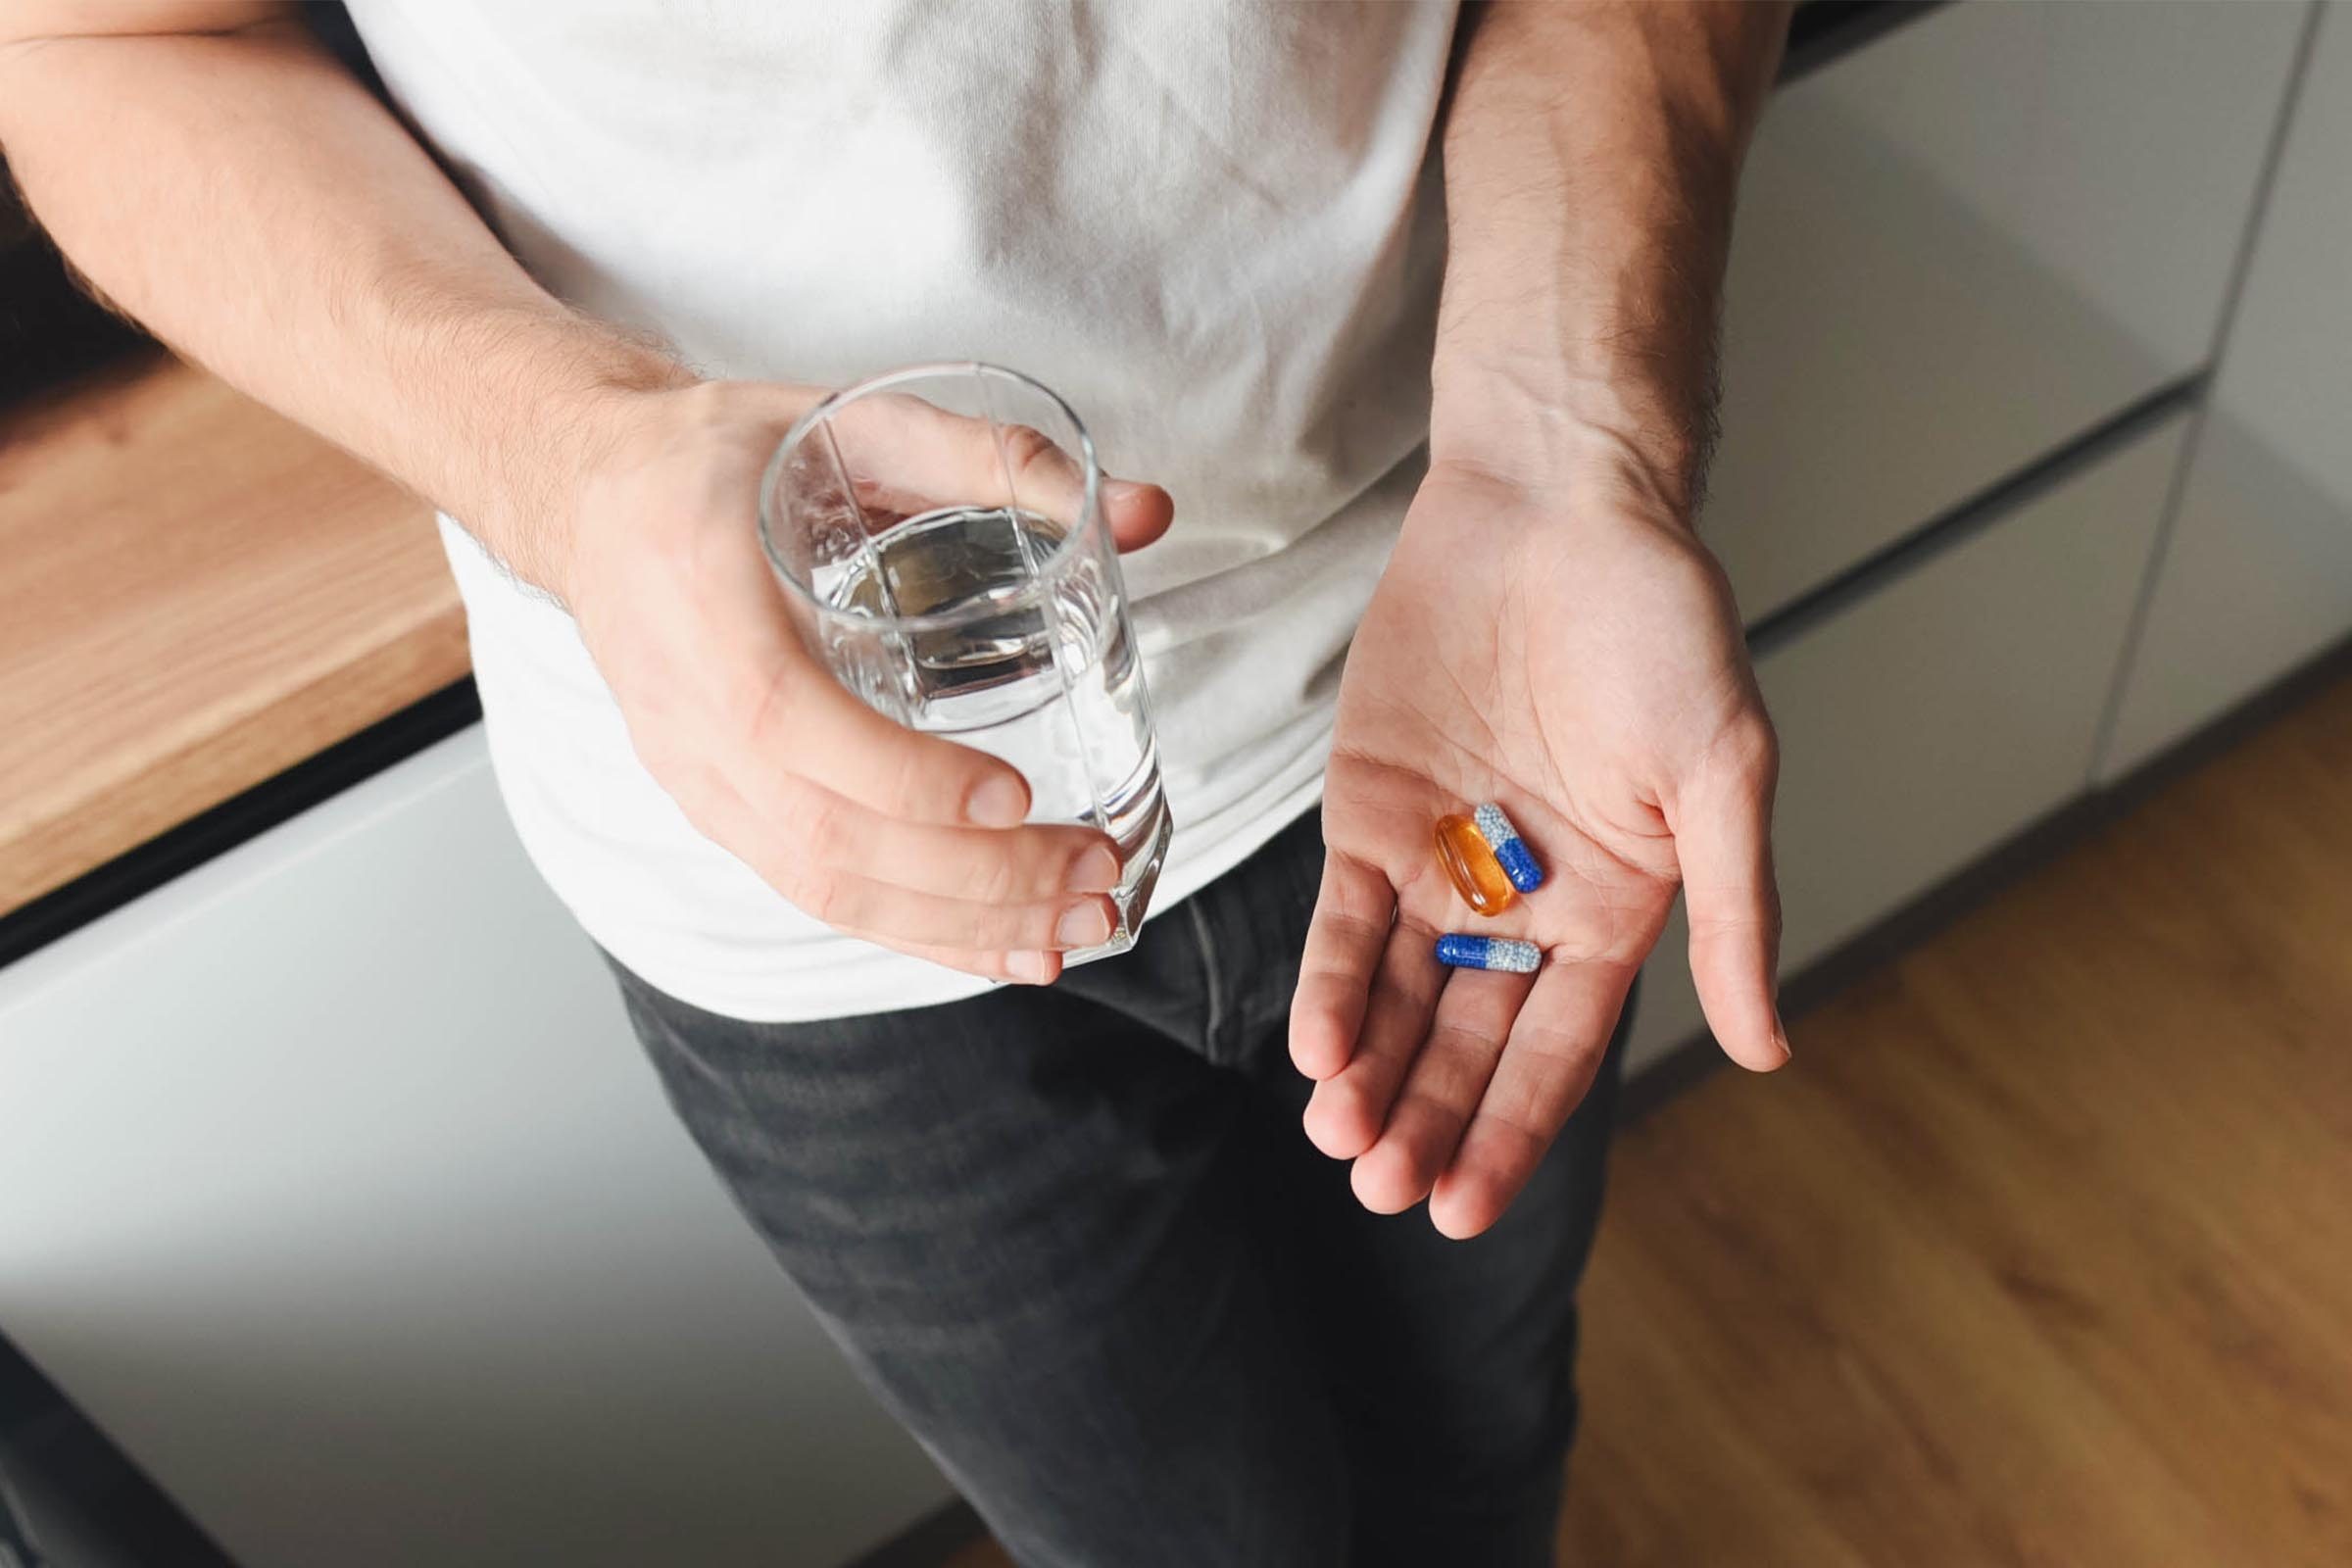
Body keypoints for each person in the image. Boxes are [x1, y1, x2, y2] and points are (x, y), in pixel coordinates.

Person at [1, 1, 1791, 1561]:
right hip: (800, 883)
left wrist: (1573, 449)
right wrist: (580, 464)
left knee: (1480, 1446)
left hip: (1467, 671)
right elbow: (101, 41)